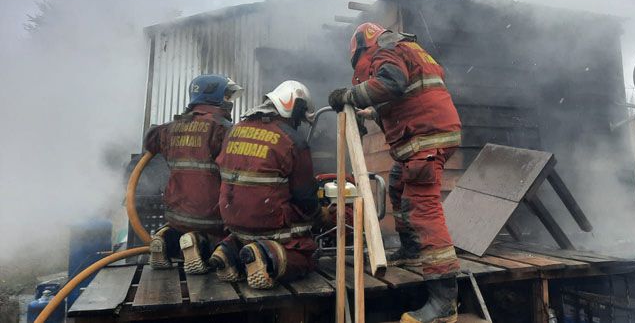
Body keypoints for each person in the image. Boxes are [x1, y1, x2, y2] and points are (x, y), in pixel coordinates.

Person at [328, 22, 462, 323]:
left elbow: (392, 83)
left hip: (426, 139)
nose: (363, 71)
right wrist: (373, 112)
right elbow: (408, 93)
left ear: (362, 49)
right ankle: (412, 250)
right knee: (398, 184)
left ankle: (444, 302)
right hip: (429, 133)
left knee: (422, 208)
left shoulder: (385, 51)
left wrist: (350, 95)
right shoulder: (405, 49)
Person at [210, 80, 321, 289]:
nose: (298, 124)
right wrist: (320, 214)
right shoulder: (293, 141)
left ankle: (229, 252)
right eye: (299, 119)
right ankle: (266, 256)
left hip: (233, 223)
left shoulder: (234, 130)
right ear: (295, 109)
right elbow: (305, 198)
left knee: (246, 236)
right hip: (265, 223)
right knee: (307, 253)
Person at [144, 75, 242, 274]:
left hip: (177, 217)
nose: (229, 102)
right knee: (232, 243)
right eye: (227, 96)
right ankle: (198, 242)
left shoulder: (170, 128)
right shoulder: (224, 130)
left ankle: (165, 240)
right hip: (212, 218)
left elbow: (149, 139)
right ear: (214, 97)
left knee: (178, 231)